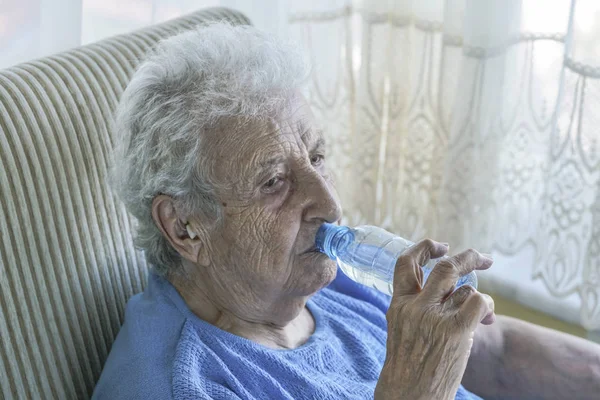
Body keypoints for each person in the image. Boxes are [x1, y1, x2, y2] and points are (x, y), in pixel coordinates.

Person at [93, 22, 600, 399]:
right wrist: (416, 388)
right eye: (274, 182)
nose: (330, 204)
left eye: (316, 157)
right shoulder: (184, 384)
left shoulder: (314, 280)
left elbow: (498, 353)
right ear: (185, 227)